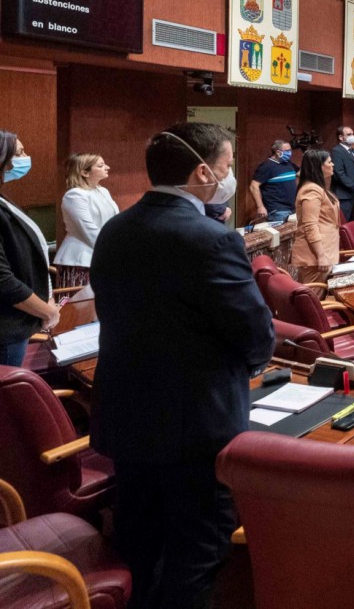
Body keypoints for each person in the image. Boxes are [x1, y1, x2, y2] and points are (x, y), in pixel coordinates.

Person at [90, 122, 274, 608]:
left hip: (127, 421)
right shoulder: (212, 239)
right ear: (202, 172)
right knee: (198, 554)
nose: (229, 175)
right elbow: (256, 335)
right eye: (227, 165)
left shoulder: (115, 230)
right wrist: (252, 366)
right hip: (197, 430)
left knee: (138, 549)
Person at [0, 132, 59, 367]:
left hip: (15, 324)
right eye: (19, 153)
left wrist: (48, 298)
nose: (26, 158)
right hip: (6, 328)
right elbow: (3, 280)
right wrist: (47, 311)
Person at [53, 153, 120, 288]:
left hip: (104, 255)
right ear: (84, 172)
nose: (107, 167)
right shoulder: (74, 195)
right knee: (79, 301)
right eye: (100, 165)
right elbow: (88, 229)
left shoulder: (103, 191)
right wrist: (114, 249)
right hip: (81, 260)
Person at [292, 149, 341, 285]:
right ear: (319, 166)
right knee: (314, 296)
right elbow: (310, 225)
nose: (333, 165)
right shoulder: (311, 189)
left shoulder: (319, 187)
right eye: (329, 162)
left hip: (326, 251)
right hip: (314, 256)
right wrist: (321, 255)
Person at [249, 139, 298, 224]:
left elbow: (302, 173)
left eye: (290, 150)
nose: (290, 153)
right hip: (278, 211)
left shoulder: (288, 164)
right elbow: (253, 186)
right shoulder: (267, 166)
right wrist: (260, 206)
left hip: (292, 208)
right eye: (287, 151)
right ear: (278, 152)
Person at [329, 125, 354, 222]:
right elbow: (339, 173)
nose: (352, 136)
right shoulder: (337, 151)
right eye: (349, 134)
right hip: (344, 196)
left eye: (353, 134)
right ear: (341, 137)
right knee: (344, 223)